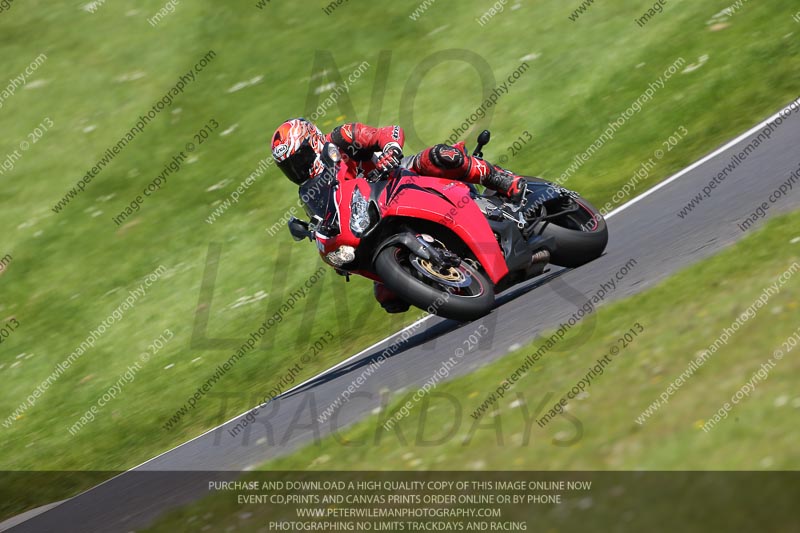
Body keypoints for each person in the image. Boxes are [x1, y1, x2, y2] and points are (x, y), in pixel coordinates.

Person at [271, 118, 527, 313]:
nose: (298, 168)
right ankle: (443, 273)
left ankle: (503, 180)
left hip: (397, 178)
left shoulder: (341, 138)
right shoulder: (312, 192)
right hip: (374, 222)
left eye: (300, 158)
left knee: (439, 157)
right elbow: (330, 218)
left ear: (313, 142)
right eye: (289, 167)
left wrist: (391, 150)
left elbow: (388, 132)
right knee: (389, 298)